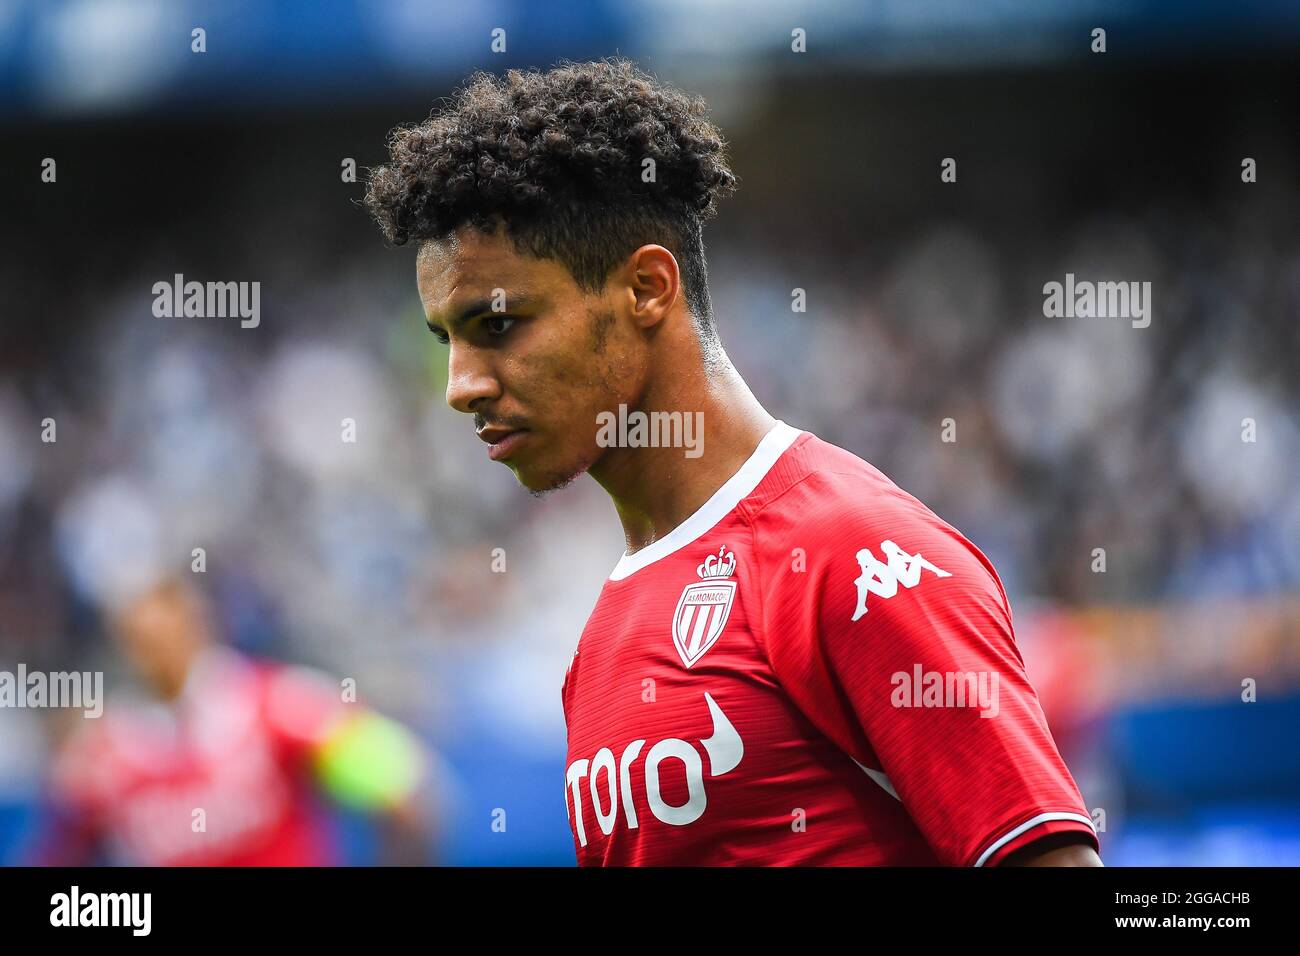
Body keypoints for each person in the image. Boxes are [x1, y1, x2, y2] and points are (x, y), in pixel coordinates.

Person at [365, 57, 1101, 866]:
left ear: (647, 288)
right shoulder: (603, 637)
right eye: (448, 341)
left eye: (497, 326)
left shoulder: (855, 556)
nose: (460, 387)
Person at [36, 579, 433, 866]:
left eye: (166, 637)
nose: (156, 656)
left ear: (198, 625)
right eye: (141, 643)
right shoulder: (103, 756)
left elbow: (405, 794)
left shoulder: (279, 702)